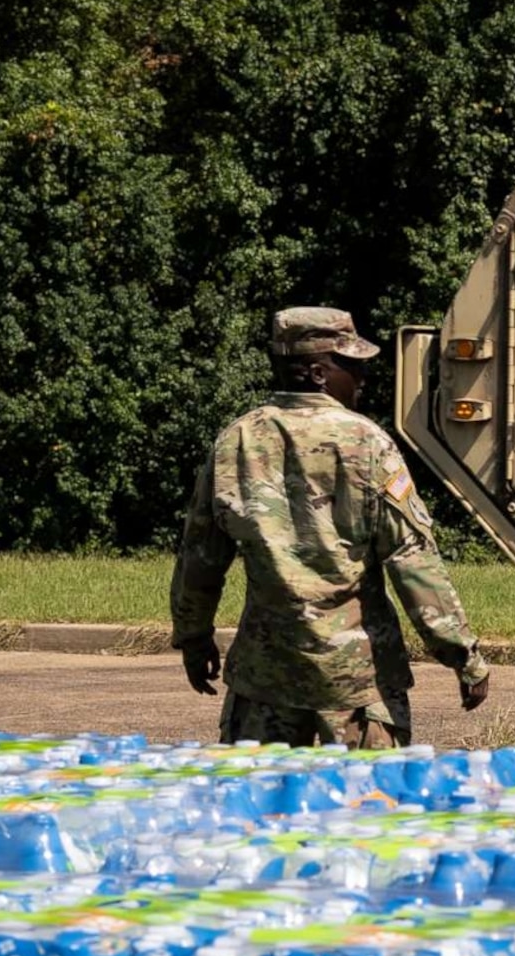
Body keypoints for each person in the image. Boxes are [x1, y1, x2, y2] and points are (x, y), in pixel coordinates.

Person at [172, 306, 490, 748]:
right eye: (353, 367)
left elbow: (200, 555)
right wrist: (462, 654)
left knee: (260, 813)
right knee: (365, 810)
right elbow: (410, 558)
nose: (362, 380)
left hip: (265, 684)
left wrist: (193, 637)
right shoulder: (366, 442)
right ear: (319, 373)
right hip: (356, 687)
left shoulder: (237, 441)